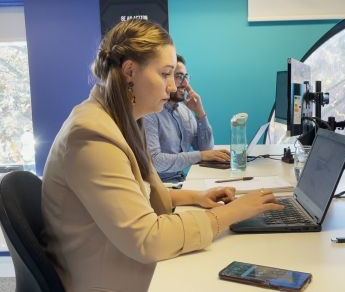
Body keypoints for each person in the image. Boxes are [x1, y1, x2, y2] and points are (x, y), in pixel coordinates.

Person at [41, 19, 284, 292]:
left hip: (115, 262)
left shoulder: (120, 120)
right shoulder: (91, 136)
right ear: (130, 71)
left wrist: (196, 197)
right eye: (166, 74)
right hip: (104, 281)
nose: (172, 88)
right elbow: (148, 239)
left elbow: (135, 194)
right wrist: (229, 214)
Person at [143, 54, 229, 182]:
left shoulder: (185, 111)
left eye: (185, 77)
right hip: (159, 186)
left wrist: (200, 113)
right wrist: (200, 156)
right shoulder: (149, 113)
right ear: (165, 77)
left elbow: (206, 149)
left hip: (181, 181)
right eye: (178, 77)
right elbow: (156, 162)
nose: (184, 83)